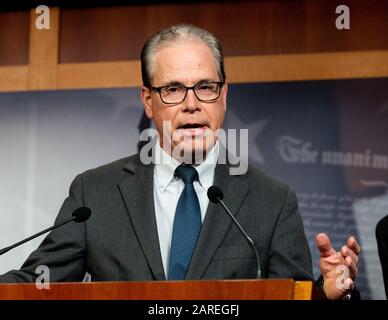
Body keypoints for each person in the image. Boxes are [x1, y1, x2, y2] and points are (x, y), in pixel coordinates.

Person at [0, 24, 360, 299]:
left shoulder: (273, 201)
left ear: (224, 96)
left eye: (205, 87)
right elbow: (36, 283)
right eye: (173, 89)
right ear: (148, 101)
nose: (192, 104)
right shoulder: (94, 194)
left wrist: (326, 294)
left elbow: (291, 294)